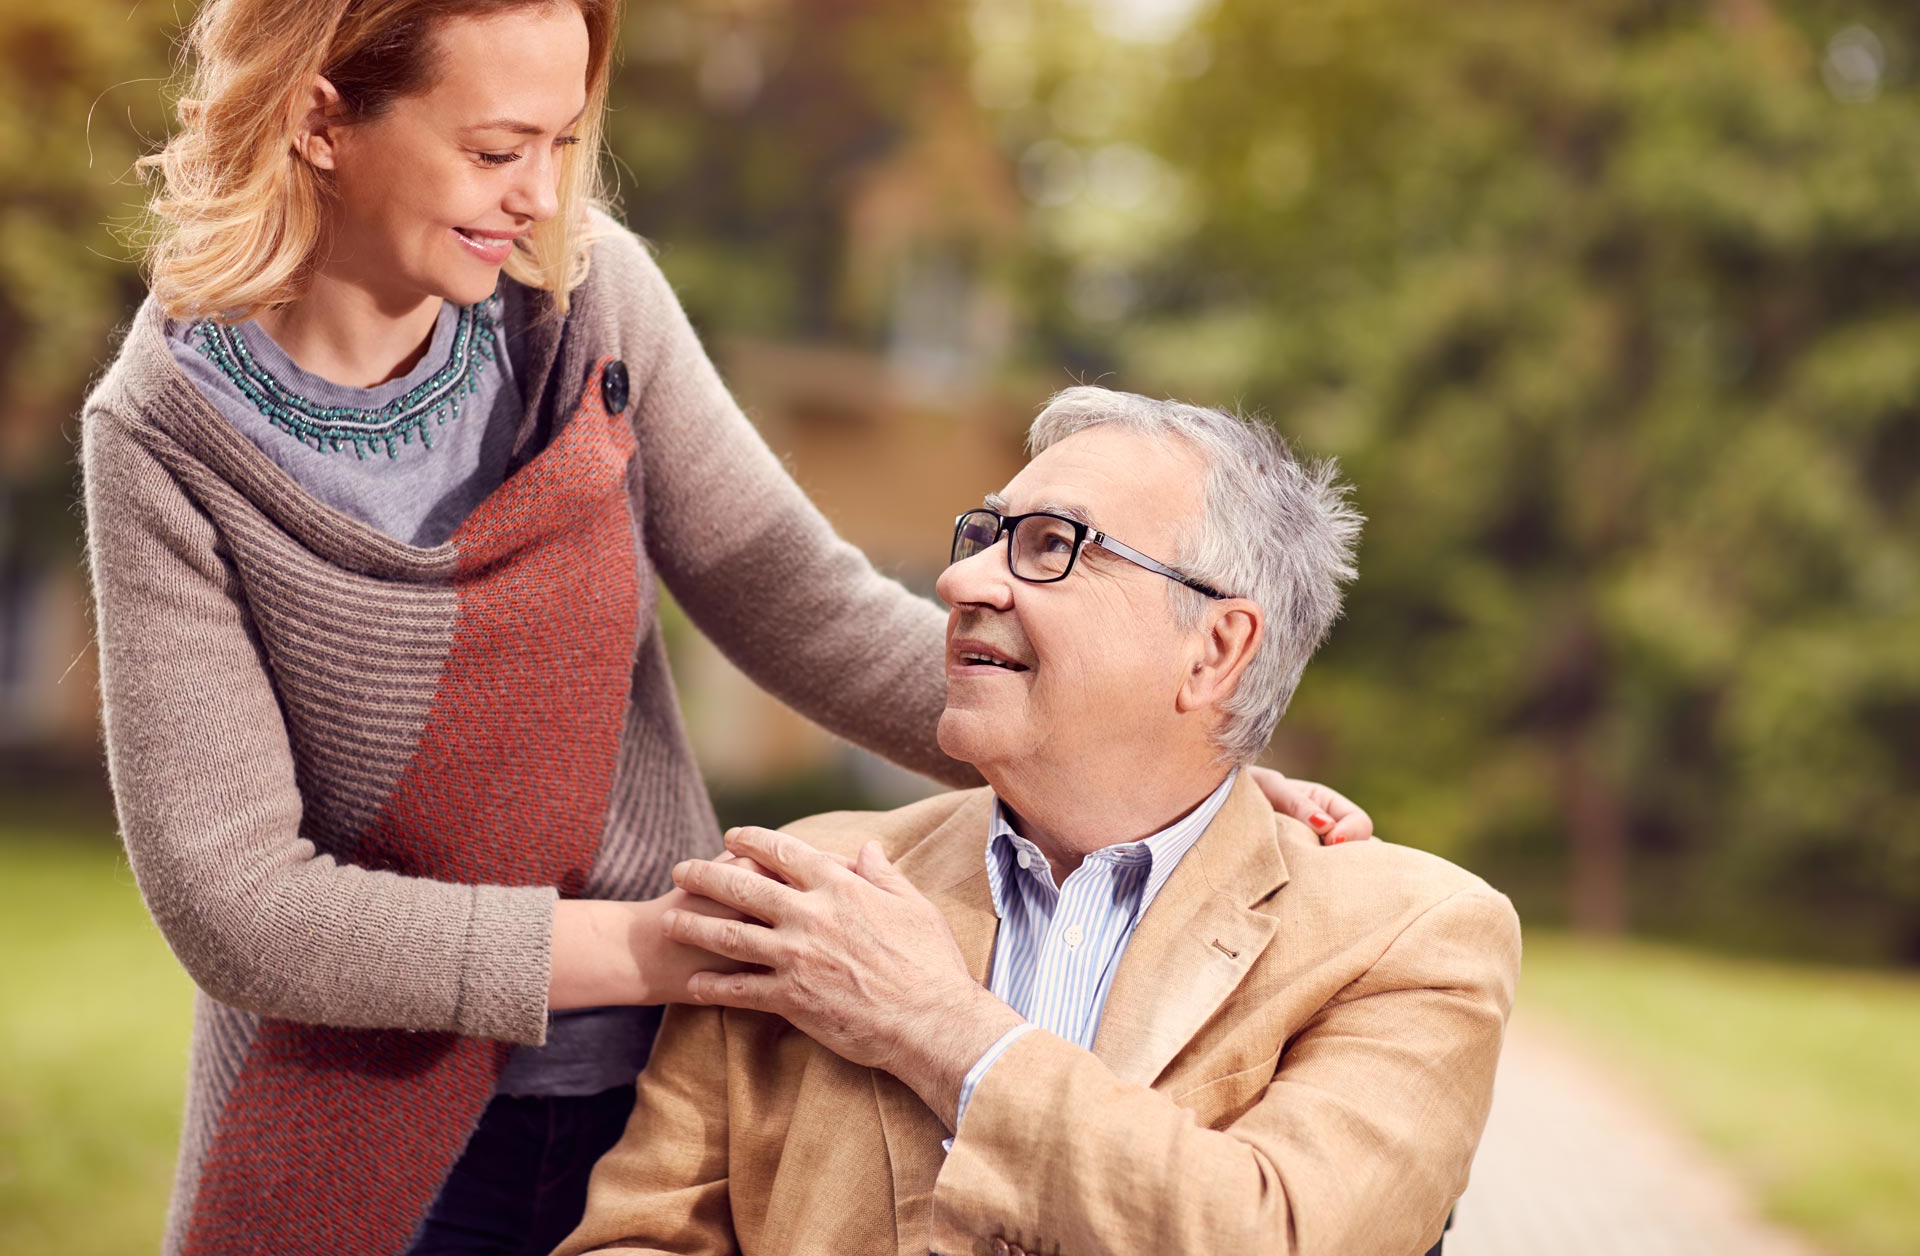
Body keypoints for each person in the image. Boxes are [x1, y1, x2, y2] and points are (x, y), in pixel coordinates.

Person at [82, 0, 1375, 1254]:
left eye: (563, 144)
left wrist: (1168, 781)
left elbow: (795, 598)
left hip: (656, 1105)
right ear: (321, 120)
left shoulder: (588, 301)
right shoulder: (163, 439)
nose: (539, 196)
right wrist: (663, 946)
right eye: (494, 151)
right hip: (362, 1137)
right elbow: (241, 903)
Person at [558, 387, 1521, 1256]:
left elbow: (1276, 1233)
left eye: (1052, 545)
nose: (962, 583)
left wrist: (938, 1025)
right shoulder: (810, 880)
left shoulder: (1409, 935)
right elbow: (641, 1237)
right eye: (982, 536)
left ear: (1215, 650)